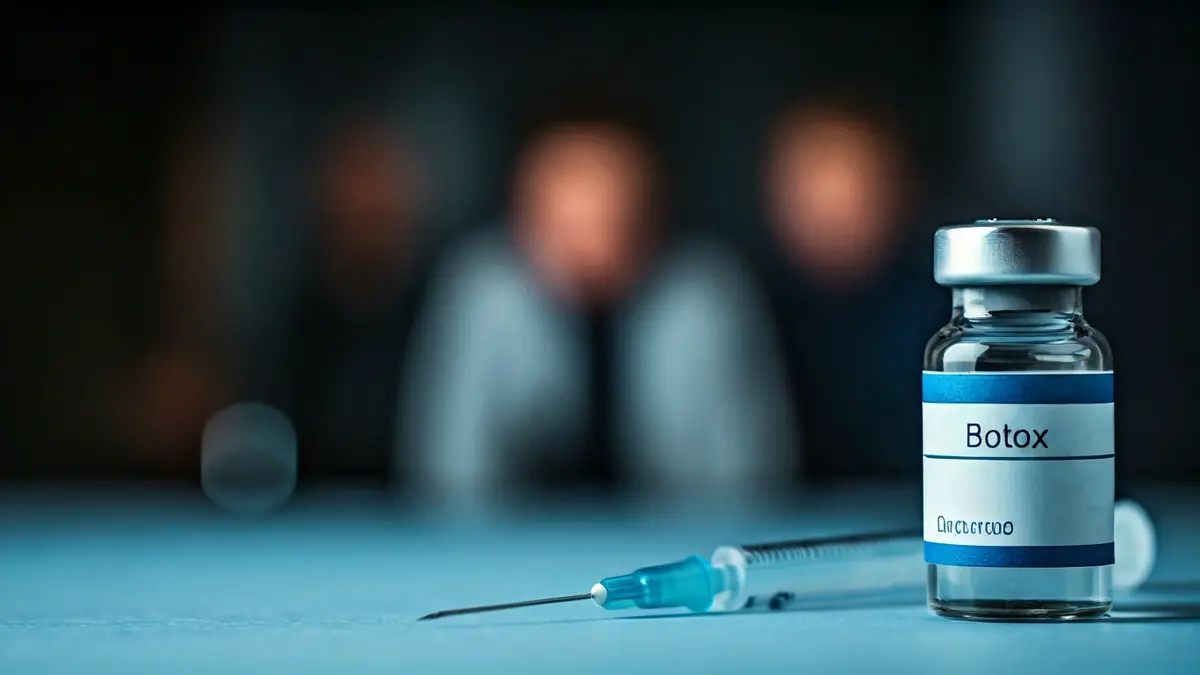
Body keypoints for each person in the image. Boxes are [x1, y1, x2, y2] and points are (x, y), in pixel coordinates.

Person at [400, 87, 798, 509]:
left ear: (649, 202)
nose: (589, 217)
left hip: (674, 553)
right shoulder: (480, 289)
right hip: (508, 555)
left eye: (608, 198)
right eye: (568, 193)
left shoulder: (707, 295)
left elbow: (750, 477)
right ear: (523, 209)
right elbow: (445, 474)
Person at [761, 95, 943, 477]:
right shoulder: (754, 306)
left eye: (846, 196)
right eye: (806, 196)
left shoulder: (949, 310)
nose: (827, 219)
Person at [237, 119, 426, 484]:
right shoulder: (295, 325)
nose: (366, 203)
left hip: (415, 520)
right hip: (306, 522)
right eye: (353, 186)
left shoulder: (440, 315)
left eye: (381, 188)